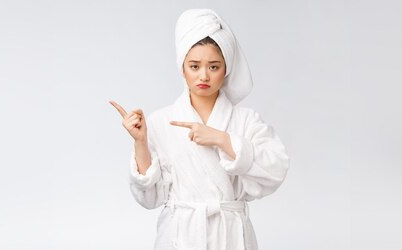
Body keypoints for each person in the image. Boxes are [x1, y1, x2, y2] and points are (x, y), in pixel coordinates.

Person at [109, 9, 289, 250]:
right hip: (181, 237)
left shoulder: (246, 120)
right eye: (194, 66)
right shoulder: (161, 121)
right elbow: (150, 198)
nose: (203, 75)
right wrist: (140, 142)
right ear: (182, 67)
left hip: (230, 237)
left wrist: (224, 140)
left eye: (213, 67)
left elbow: (275, 170)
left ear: (226, 69)